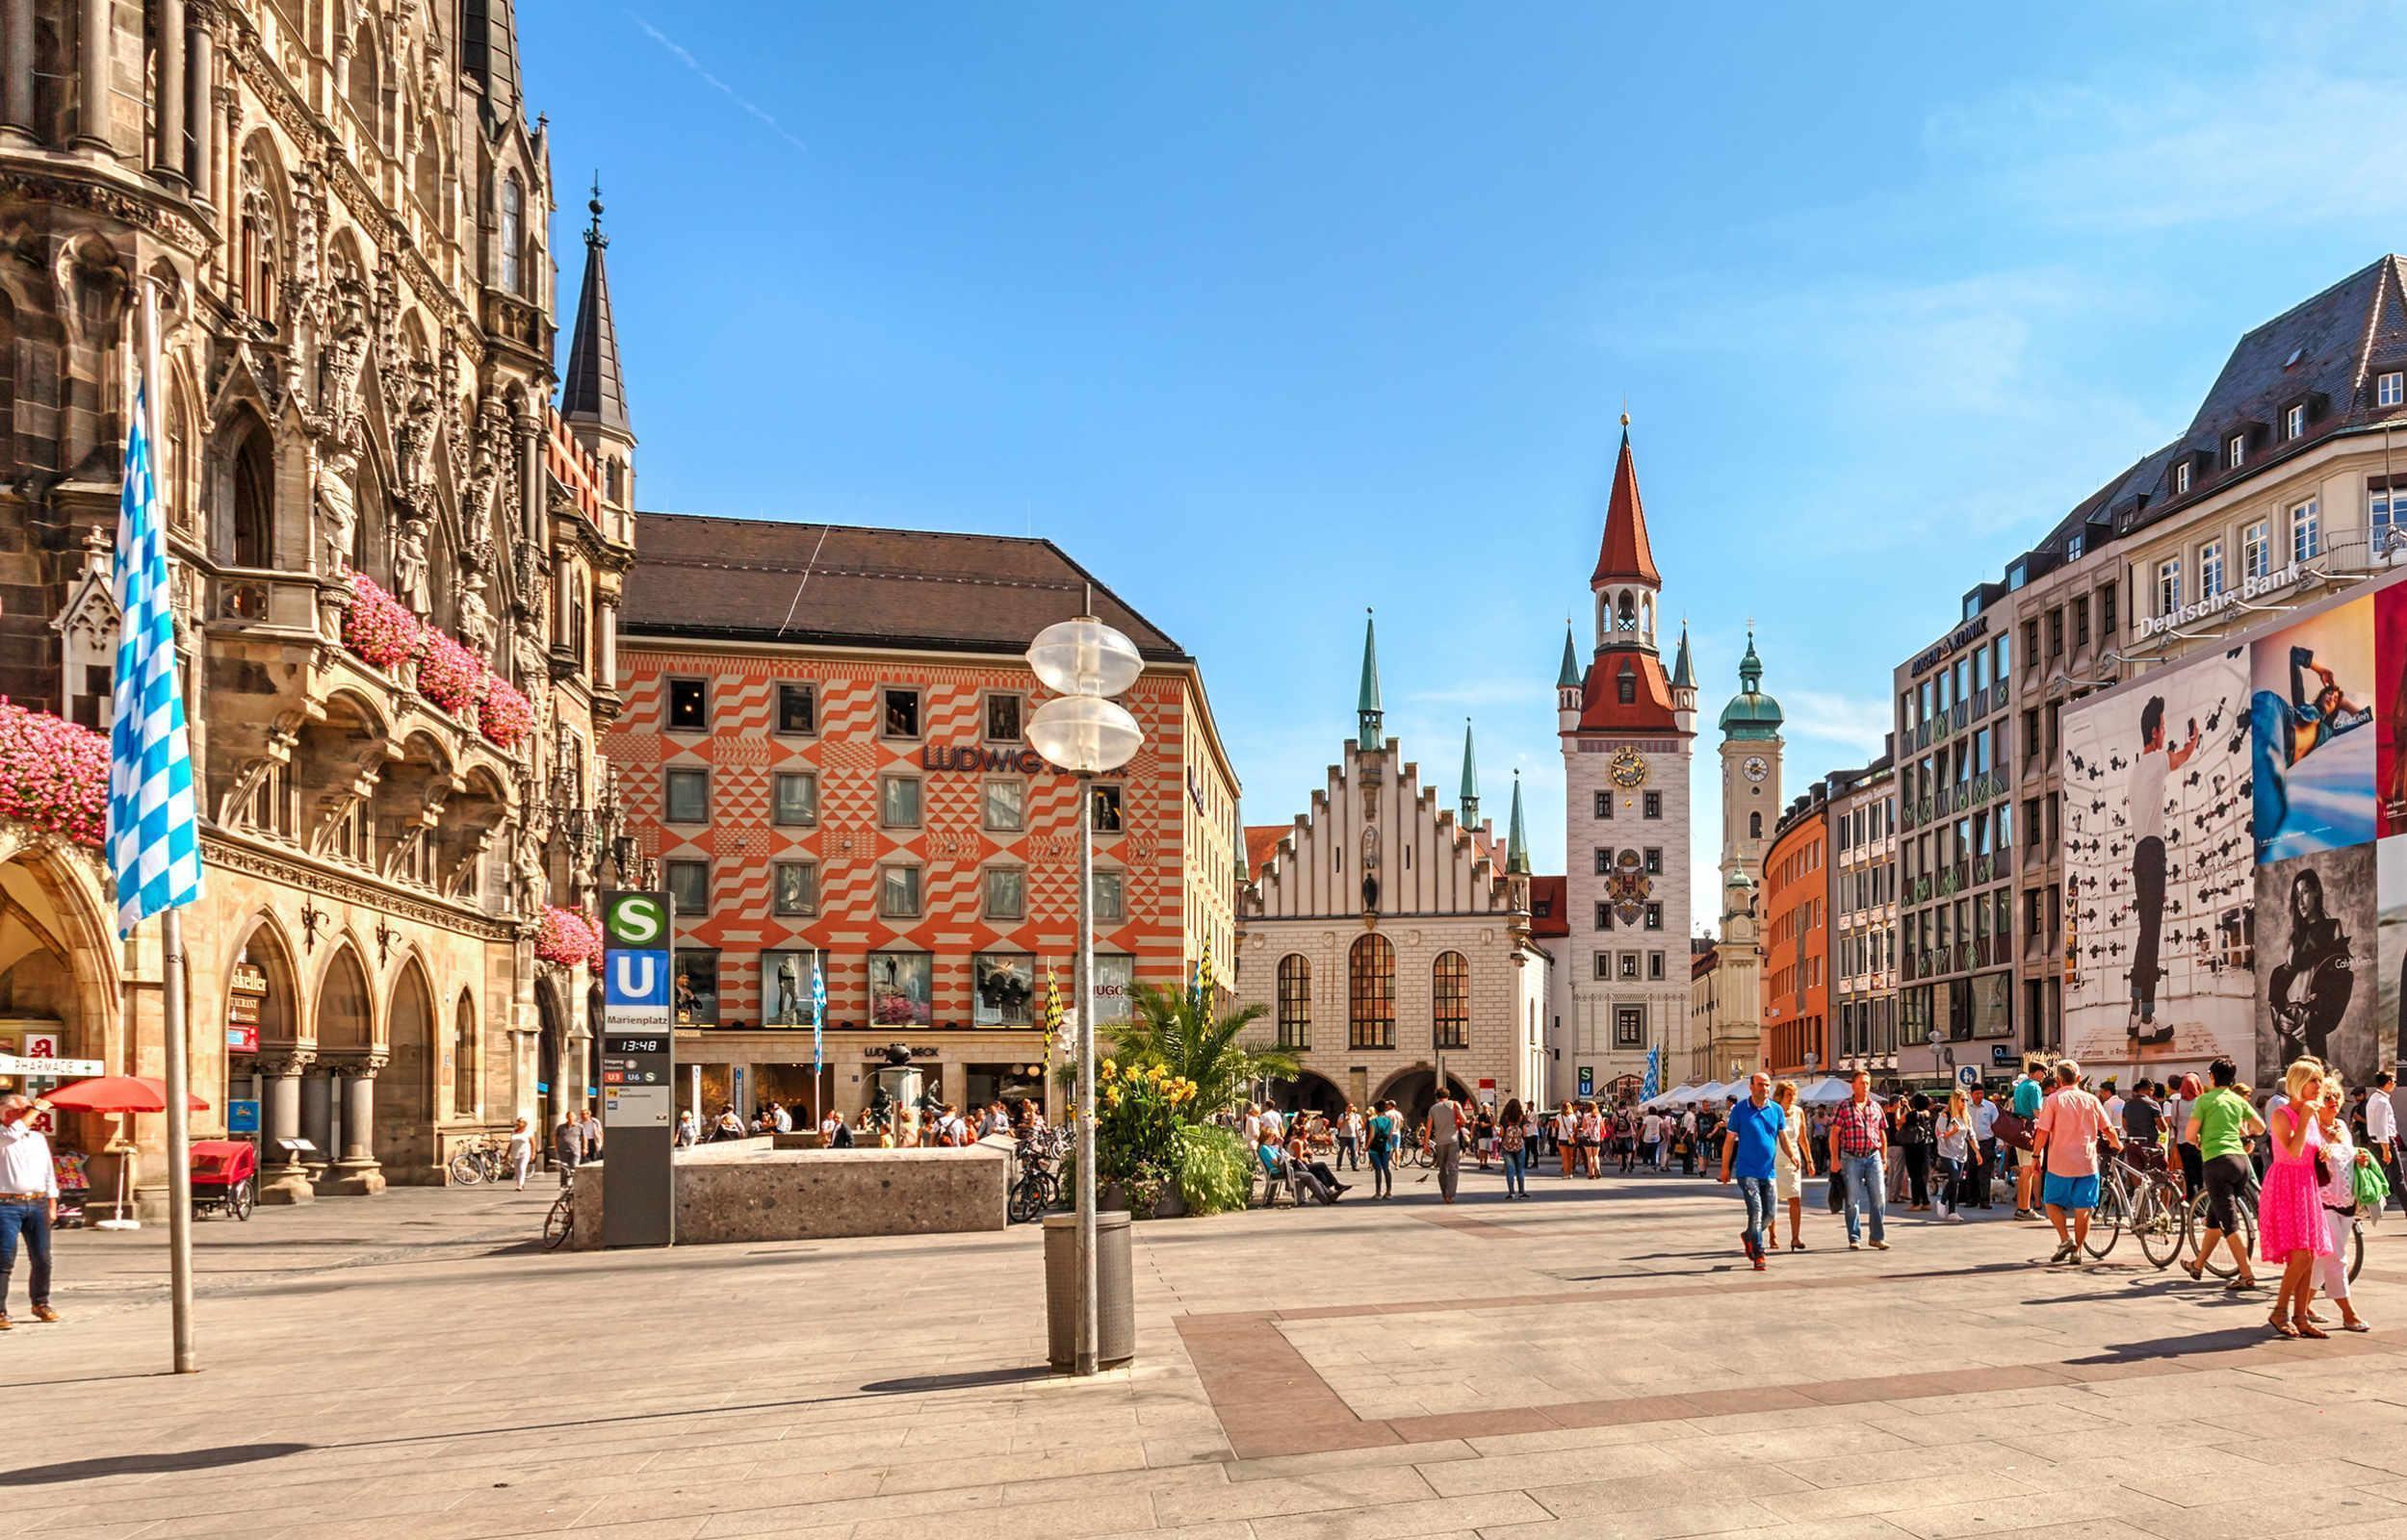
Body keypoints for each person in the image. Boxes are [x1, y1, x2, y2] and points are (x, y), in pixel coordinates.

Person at [2127, 695, 2201, 1046]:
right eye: (2164, 728)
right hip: (2153, 854)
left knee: (2145, 933)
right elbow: (2183, 757)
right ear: (2155, 732)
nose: (2165, 733)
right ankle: (2147, 1021)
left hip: (2139, 855)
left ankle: (2134, 1008)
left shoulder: (2134, 772)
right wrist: (2194, 740)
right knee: (2152, 936)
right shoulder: (2156, 760)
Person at [2259, 1059, 2334, 1338]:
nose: (2318, 1086)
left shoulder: (2312, 1114)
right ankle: (2280, 1310)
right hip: (2286, 1186)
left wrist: (2322, 1152)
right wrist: (2303, 1118)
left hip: (2306, 1185)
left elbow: (2309, 1149)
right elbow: (2291, 1150)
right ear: (2297, 1082)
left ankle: (2301, 1316)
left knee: (2309, 1254)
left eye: (2319, 1080)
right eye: (2313, 1080)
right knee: (2300, 1254)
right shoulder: (2282, 1114)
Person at [2180, 1057, 2265, 1288]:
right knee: (2214, 1219)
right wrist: (2242, 1133)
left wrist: (2199, 1140)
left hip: (2217, 1162)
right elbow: (2260, 1126)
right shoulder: (2237, 1100)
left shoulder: (2205, 1100)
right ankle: (2198, 1265)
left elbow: (2189, 1135)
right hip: (2241, 1162)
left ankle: (2247, 1275)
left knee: (2229, 1223)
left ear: (2212, 1077)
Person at [2032, 1060, 2120, 1265]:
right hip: (2087, 1163)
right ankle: (2077, 1251)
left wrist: (2036, 1155)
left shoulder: (2053, 1100)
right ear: (2079, 1079)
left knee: (2051, 1203)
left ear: (2059, 1080)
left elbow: (2043, 1131)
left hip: (2059, 1163)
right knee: (2084, 1210)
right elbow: (2107, 1129)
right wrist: (2117, 1144)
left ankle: (2065, 1239)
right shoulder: (2092, 1100)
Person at [2314, 1077, 2371, 1333]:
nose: (2333, 1101)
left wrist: (2359, 1158)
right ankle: (2348, 1313)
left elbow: (2345, 1158)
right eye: (2327, 1097)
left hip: (2347, 1201)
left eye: (2336, 1096)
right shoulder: (2311, 1128)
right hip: (2322, 1201)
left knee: (2318, 1259)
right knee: (2336, 1257)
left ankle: (2301, 1306)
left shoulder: (2341, 1126)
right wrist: (2317, 1157)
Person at [0, 1095, 60, 1327]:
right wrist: (36, 1109)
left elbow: (47, 1172)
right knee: (4, 1258)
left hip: (37, 1203)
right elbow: (11, 1134)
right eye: (24, 1110)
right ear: (7, 1113)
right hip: (6, 1205)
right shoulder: (4, 1135)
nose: (32, 1115)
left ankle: (41, 1302)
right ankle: (1, 1311)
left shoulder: (36, 1138)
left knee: (43, 1258)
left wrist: (52, 1202)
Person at [1720, 1072, 1784, 1270]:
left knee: (1770, 1214)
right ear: (1751, 1087)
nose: (1764, 1088)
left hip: (1769, 1172)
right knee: (1756, 1211)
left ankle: (1749, 1235)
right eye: (1760, 1085)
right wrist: (1725, 1168)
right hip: (1747, 1171)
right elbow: (1729, 1141)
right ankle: (1759, 1253)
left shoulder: (1776, 1109)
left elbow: (1783, 1138)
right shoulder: (1739, 1110)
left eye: (1767, 1085)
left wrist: (1797, 1156)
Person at [1826, 1070, 1889, 1251]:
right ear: (1853, 1085)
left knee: (1879, 1199)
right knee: (1852, 1200)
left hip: (1873, 1156)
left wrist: (1884, 1158)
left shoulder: (1876, 1107)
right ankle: (1854, 1237)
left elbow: (1882, 1133)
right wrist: (1835, 1159)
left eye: (1868, 1083)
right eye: (1862, 1083)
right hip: (1850, 1157)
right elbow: (1834, 1134)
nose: (1865, 1086)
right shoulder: (1843, 1106)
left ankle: (1877, 1237)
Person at [1772, 1080, 1813, 1250]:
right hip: (1774, 1160)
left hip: (1793, 1161)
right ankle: (1772, 1235)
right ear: (1780, 1096)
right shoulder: (1772, 1111)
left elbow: (1802, 1138)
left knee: (1795, 1199)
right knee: (1771, 1200)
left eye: (1794, 1094)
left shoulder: (1798, 1112)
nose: (1792, 1098)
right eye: (1789, 1095)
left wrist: (1809, 1160)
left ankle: (1795, 1237)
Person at [2010, 1055, 2047, 1219]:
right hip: (2031, 1130)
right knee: (2029, 1171)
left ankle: (2021, 1207)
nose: (2044, 1076)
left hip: (2019, 1129)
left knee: (2025, 1171)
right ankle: (2025, 1209)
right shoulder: (2034, 1087)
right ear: (2035, 1072)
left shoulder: (2020, 1086)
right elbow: (2037, 1112)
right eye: (2043, 1072)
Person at [2368, 1071, 2402, 1214]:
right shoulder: (2381, 1102)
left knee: (2376, 1174)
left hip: (2378, 1142)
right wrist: (2386, 1149)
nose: (2394, 1085)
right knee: (2397, 1177)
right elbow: (2382, 1128)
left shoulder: (2375, 1098)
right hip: (2385, 1142)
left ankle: (2367, 1204)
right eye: (2393, 1082)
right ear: (2387, 1083)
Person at [1933, 1091, 1969, 1222]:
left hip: (1961, 1153)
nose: (1965, 1103)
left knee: (1956, 1181)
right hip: (1946, 1152)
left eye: (1966, 1100)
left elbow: (1970, 1134)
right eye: (1962, 1100)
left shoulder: (1965, 1116)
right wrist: (1951, 1132)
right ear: (1955, 1100)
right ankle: (1942, 1201)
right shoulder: (1944, 1115)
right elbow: (1939, 1135)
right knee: (1954, 1175)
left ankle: (1952, 1211)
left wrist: (1977, 1152)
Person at [1284, 1126, 1345, 1200]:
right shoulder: (1297, 1142)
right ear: (1304, 1134)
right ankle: (1335, 1186)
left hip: (1301, 1165)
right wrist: (1306, 1156)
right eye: (1308, 1133)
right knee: (1322, 1165)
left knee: (1319, 1172)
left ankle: (1330, 1193)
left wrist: (1306, 1147)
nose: (1309, 1135)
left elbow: (1309, 1153)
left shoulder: (1301, 1142)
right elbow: (1299, 1158)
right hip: (1298, 1166)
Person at [1428, 1089, 1464, 1203]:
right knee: (1453, 1168)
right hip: (1453, 1140)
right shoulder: (1454, 1104)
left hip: (1439, 1141)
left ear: (1437, 1097)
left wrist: (1425, 1144)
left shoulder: (1433, 1108)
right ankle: (1450, 1195)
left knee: (1442, 1168)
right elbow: (1464, 1120)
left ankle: (1444, 1193)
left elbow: (1429, 1127)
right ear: (1448, 1095)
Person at [1900, 1093, 1934, 1212]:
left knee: (1914, 1175)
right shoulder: (1928, 1114)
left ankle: (1916, 1203)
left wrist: (1905, 1107)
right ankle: (1925, 1201)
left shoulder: (1912, 1114)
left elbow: (1901, 1120)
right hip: (1924, 1146)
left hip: (1912, 1146)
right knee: (1922, 1175)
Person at [1968, 1085, 1998, 1210]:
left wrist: (2000, 1143)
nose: (1979, 1096)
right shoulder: (1966, 1107)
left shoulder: (1990, 1107)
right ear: (1971, 1094)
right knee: (1971, 1171)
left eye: (1981, 1093)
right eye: (1976, 1094)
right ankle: (1971, 1199)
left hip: (1986, 1142)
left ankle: (1984, 1201)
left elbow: (1997, 1125)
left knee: (1985, 1173)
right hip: (1970, 1143)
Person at [1497, 1097, 1532, 1199]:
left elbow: (1502, 1133)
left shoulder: (1504, 1117)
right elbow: (1525, 1133)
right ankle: (1522, 1192)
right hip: (1520, 1146)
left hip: (1507, 1147)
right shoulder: (1522, 1117)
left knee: (1510, 1170)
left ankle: (1511, 1193)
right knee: (1520, 1170)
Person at [1366, 1100, 1398, 1199]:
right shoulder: (1388, 1121)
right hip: (1386, 1147)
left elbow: (1371, 1135)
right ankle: (1388, 1192)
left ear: (1375, 1110)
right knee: (1386, 1169)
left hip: (1374, 1148)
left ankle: (1378, 1193)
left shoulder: (1373, 1121)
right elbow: (1390, 1135)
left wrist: (1366, 1146)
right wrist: (1391, 1145)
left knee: (1378, 1170)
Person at [553, 1109, 582, 1185]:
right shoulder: (561, 1127)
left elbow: (584, 1138)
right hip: (562, 1150)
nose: (570, 1118)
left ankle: (575, 1184)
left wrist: (585, 1148)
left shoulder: (579, 1127)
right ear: (566, 1117)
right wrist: (556, 1146)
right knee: (564, 1168)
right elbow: (555, 1136)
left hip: (575, 1150)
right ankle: (563, 1184)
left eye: (572, 1116)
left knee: (574, 1167)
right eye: (568, 1116)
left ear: (575, 1117)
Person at [506, 1116, 535, 1191]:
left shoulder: (528, 1132)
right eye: (518, 1121)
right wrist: (507, 1154)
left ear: (524, 1123)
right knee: (517, 1169)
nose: (518, 1123)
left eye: (520, 1121)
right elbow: (511, 1143)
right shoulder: (514, 1131)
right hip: (515, 1152)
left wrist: (533, 1153)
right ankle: (519, 1183)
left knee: (522, 1168)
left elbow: (533, 1143)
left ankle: (520, 1185)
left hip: (525, 1152)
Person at [1336, 1104, 1361, 1171]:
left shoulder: (1355, 1116)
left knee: (1353, 1151)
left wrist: (1358, 1135)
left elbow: (1356, 1126)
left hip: (1352, 1136)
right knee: (1341, 1151)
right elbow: (1338, 1126)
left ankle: (1354, 1166)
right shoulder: (1342, 1115)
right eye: (1349, 1107)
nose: (1350, 1108)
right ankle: (1339, 1166)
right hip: (1343, 1136)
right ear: (1346, 1108)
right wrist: (1345, 1120)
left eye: (1352, 1107)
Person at [1472, 1101, 1495, 1171]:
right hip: (1482, 1135)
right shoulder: (1481, 1116)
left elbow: (1493, 1123)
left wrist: (1491, 1123)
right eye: (1484, 1108)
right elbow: (1482, 1125)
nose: (1485, 1109)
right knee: (1482, 1150)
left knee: (1487, 1150)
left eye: (1486, 1107)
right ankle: (1481, 1164)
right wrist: (1490, 1124)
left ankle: (1485, 1164)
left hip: (1489, 1135)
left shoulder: (1490, 1115)